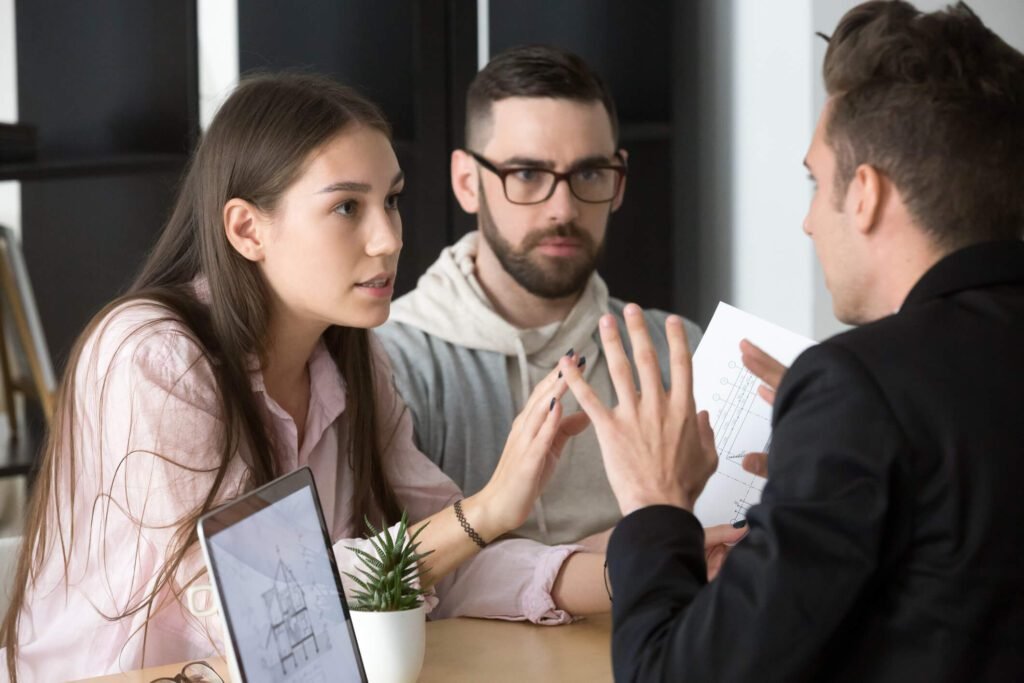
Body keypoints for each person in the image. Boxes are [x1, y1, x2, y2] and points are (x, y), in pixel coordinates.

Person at [0, 73, 616, 682]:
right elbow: (265, 611)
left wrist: (635, 571)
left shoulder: (354, 358)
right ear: (247, 229)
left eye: (391, 201)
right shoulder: (153, 358)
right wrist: (483, 513)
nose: (388, 239)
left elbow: (448, 561)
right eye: (347, 207)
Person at [559, 2, 1024, 680]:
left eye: (816, 180)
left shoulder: (857, 388)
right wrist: (837, 472)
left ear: (864, 194)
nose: (808, 221)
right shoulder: (875, 404)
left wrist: (656, 504)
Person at [376, 45, 703, 546]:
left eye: (589, 173)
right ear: (467, 182)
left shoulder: (680, 353)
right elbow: (375, 577)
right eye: (527, 174)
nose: (563, 209)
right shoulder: (389, 364)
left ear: (619, 182)